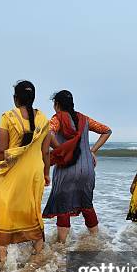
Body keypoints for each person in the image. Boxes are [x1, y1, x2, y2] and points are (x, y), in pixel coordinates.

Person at [0, 80, 51, 262]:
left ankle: (5, 261)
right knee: (32, 211)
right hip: (35, 173)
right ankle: (38, 256)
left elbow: (1, 150)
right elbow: (45, 151)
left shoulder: (8, 117)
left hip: (12, 173)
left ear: (16, 99)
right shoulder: (44, 119)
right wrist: (46, 173)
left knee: (6, 212)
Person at [42, 90, 112, 243]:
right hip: (87, 169)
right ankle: (95, 239)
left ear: (57, 105)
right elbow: (107, 130)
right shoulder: (85, 119)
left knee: (63, 206)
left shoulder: (57, 119)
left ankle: (62, 245)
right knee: (87, 204)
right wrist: (92, 151)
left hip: (67, 168)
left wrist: (60, 149)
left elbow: (47, 134)